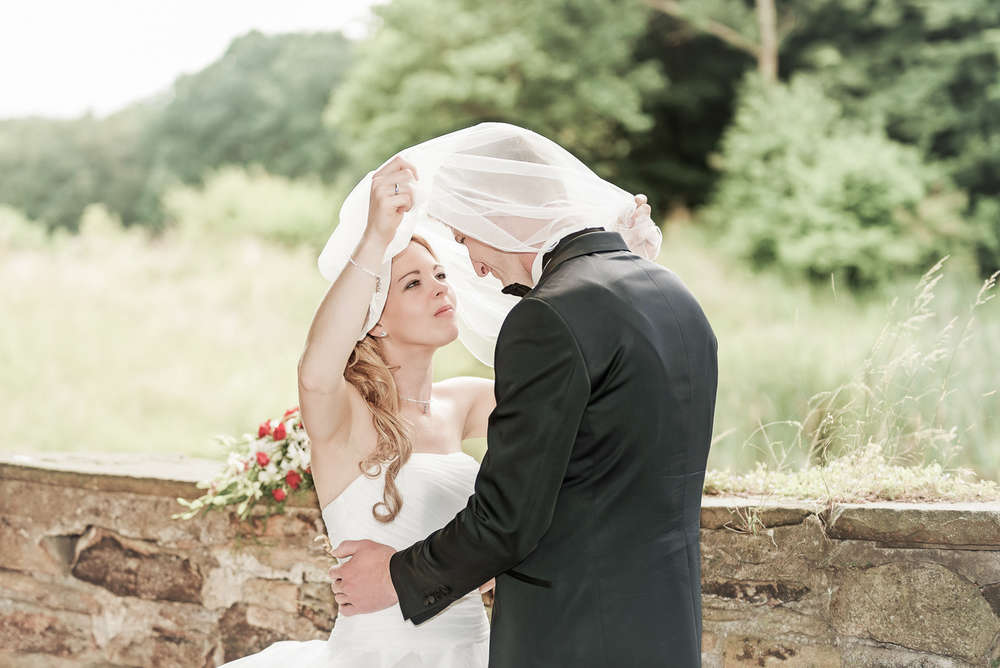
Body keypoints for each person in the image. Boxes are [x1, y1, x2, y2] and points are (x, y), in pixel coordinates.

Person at [221, 142, 656, 666]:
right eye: (413, 283)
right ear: (374, 319)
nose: (439, 289)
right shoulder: (345, 417)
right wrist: (376, 235)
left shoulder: (466, 401)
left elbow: (581, 400)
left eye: (441, 275)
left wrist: (618, 267)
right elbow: (314, 371)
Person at [328, 123, 719, 667]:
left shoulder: (547, 317)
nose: (475, 268)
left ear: (498, 210)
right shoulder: (673, 295)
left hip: (574, 638)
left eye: (465, 240)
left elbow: (508, 519)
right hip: (666, 630)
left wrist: (396, 575)